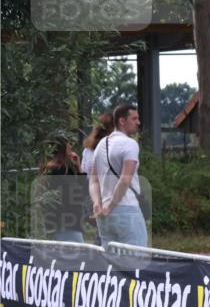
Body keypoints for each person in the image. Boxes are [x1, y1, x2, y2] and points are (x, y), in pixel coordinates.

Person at [89, 103, 147, 247]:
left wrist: (97, 203)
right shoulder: (130, 144)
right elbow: (125, 179)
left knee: (111, 263)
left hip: (103, 215)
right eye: (134, 119)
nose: (138, 123)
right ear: (122, 121)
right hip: (125, 208)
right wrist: (111, 205)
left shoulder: (101, 144)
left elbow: (93, 180)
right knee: (136, 261)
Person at [36, 131, 87, 242]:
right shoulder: (57, 171)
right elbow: (80, 194)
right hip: (66, 225)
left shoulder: (62, 169)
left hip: (66, 224)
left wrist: (78, 167)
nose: (71, 147)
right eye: (68, 144)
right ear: (62, 148)